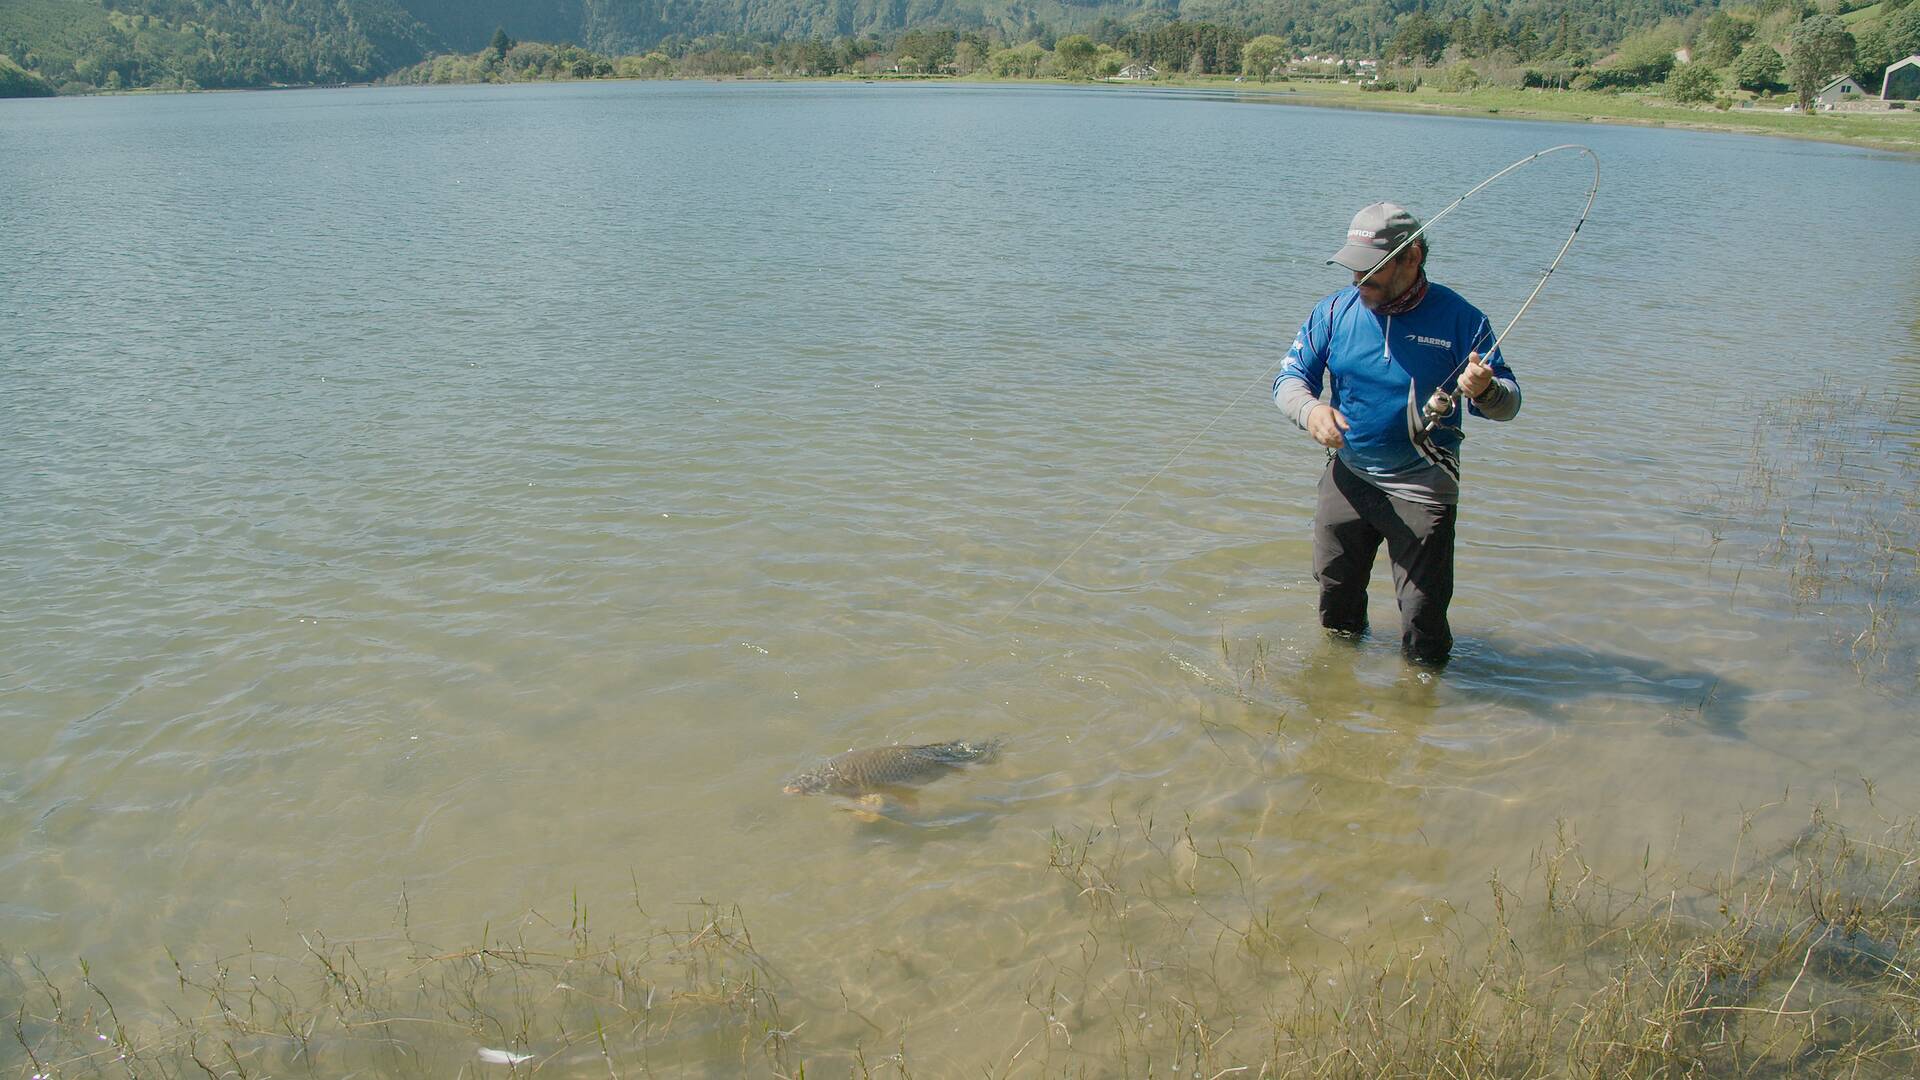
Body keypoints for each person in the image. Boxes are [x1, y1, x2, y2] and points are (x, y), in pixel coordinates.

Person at [1273, 202, 1521, 665]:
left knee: (1423, 624)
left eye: (1371, 272)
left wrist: (1485, 391)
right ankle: (1337, 688)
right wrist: (1310, 412)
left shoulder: (1462, 320)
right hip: (1348, 478)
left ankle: (1423, 697)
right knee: (1336, 606)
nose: (1358, 282)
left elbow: (1509, 404)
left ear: (1413, 258)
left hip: (1424, 488)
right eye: (1353, 269)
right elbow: (1287, 380)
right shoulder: (1334, 311)